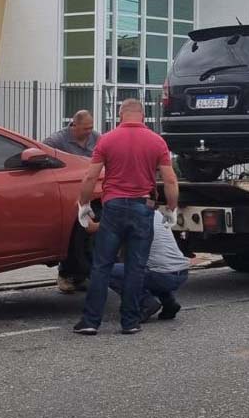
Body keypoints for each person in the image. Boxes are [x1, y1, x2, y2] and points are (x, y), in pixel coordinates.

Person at [73, 99, 178, 336]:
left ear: (120, 114)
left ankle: (90, 321)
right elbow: (170, 180)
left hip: (113, 207)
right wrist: (171, 208)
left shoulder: (106, 140)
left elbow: (90, 177)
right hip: (143, 207)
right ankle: (130, 321)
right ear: (142, 115)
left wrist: (84, 204)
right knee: (136, 267)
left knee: (101, 265)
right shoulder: (157, 141)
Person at [43, 110, 101, 294]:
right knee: (71, 237)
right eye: (85, 128)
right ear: (73, 125)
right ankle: (65, 275)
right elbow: (43, 157)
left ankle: (80, 276)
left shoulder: (96, 138)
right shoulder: (57, 141)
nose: (89, 132)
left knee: (85, 239)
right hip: (69, 197)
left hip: (92, 194)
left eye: (91, 127)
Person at [105, 208, 189, 321]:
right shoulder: (156, 213)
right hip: (182, 272)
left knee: (106, 271)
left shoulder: (132, 216)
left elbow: (101, 231)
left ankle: (146, 303)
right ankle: (169, 303)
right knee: (152, 268)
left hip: (163, 276)